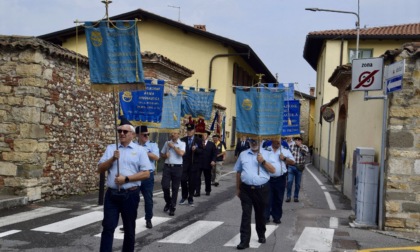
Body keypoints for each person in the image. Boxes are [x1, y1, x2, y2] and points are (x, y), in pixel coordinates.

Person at [97, 119, 152, 252]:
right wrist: (112, 159)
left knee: (129, 229)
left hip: (130, 194)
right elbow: (100, 169)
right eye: (119, 131)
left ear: (132, 134)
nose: (121, 133)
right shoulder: (111, 148)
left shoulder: (140, 151)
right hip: (112, 195)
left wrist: (126, 179)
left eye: (125, 131)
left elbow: (146, 174)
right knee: (108, 227)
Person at [234, 138, 276, 250]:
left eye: (256, 141)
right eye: (251, 141)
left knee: (260, 214)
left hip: (262, 190)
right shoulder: (243, 154)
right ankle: (244, 241)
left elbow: (273, 170)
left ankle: (261, 234)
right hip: (246, 190)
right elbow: (238, 171)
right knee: (246, 215)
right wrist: (237, 188)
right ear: (248, 142)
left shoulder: (267, 153)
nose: (253, 143)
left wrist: (262, 161)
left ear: (260, 141)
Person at [263, 138, 295, 224]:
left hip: (280, 178)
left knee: (278, 198)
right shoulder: (265, 150)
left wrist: (284, 159)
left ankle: (276, 217)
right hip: (267, 178)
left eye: (279, 141)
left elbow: (293, 162)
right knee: (267, 198)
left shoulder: (284, 150)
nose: (278, 142)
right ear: (272, 140)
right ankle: (265, 217)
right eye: (276, 141)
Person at [136, 125, 159, 229]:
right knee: (131, 199)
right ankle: (129, 220)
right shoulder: (133, 145)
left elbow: (156, 157)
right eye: (144, 135)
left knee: (148, 199)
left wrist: (144, 151)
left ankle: (148, 219)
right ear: (138, 135)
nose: (146, 136)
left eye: (147, 134)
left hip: (147, 175)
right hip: (135, 176)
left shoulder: (152, 145)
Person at [160, 130, 185, 216]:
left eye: (174, 133)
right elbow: (162, 154)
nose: (172, 135)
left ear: (178, 134)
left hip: (177, 168)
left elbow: (181, 153)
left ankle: (172, 207)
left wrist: (173, 147)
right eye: (172, 133)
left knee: (175, 188)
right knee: (165, 186)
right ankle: (168, 202)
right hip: (167, 166)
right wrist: (165, 156)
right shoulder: (167, 143)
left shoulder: (182, 144)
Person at [180, 123, 203, 205]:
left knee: (192, 181)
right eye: (188, 130)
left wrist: (196, 149)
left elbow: (201, 151)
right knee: (183, 180)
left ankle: (190, 197)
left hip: (194, 164)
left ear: (194, 131)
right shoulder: (183, 140)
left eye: (191, 130)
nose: (189, 132)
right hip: (184, 163)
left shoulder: (198, 140)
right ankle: (184, 196)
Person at [286, 135, 309, 203]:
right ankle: (288, 196)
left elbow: (306, 153)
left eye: (299, 140)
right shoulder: (291, 146)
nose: (297, 141)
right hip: (291, 166)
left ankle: (296, 197)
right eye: (296, 140)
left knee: (298, 184)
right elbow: (287, 154)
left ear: (301, 141)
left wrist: (300, 146)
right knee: (289, 182)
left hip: (299, 167)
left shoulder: (304, 147)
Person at [194, 130, 217, 196]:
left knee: (207, 178)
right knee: (197, 178)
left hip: (207, 163)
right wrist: (195, 149)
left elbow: (214, 154)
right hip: (199, 163)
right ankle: (197, 192)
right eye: (202, 135)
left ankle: (208, 190)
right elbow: (196, 151)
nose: (203, 136)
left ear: (207, 136)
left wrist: (213, 160)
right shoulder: (198, 143)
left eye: (205, 135)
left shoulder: (211, 144)